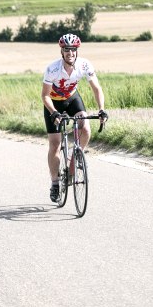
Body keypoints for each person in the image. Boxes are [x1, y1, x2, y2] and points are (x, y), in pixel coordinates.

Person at [41, 34, 107, 203]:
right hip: (54, 104)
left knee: (85, 129)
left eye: (73, 50)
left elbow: (96, 88)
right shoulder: (53, 69)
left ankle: (75, 158)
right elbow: (45, 96)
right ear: (61, 51)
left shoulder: (84, 65)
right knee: (55, 144)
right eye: (66, 49)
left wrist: (101, 110)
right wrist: (54, 113)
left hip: (72, 99)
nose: (70, 53)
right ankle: (55, 183)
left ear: (77, 51)